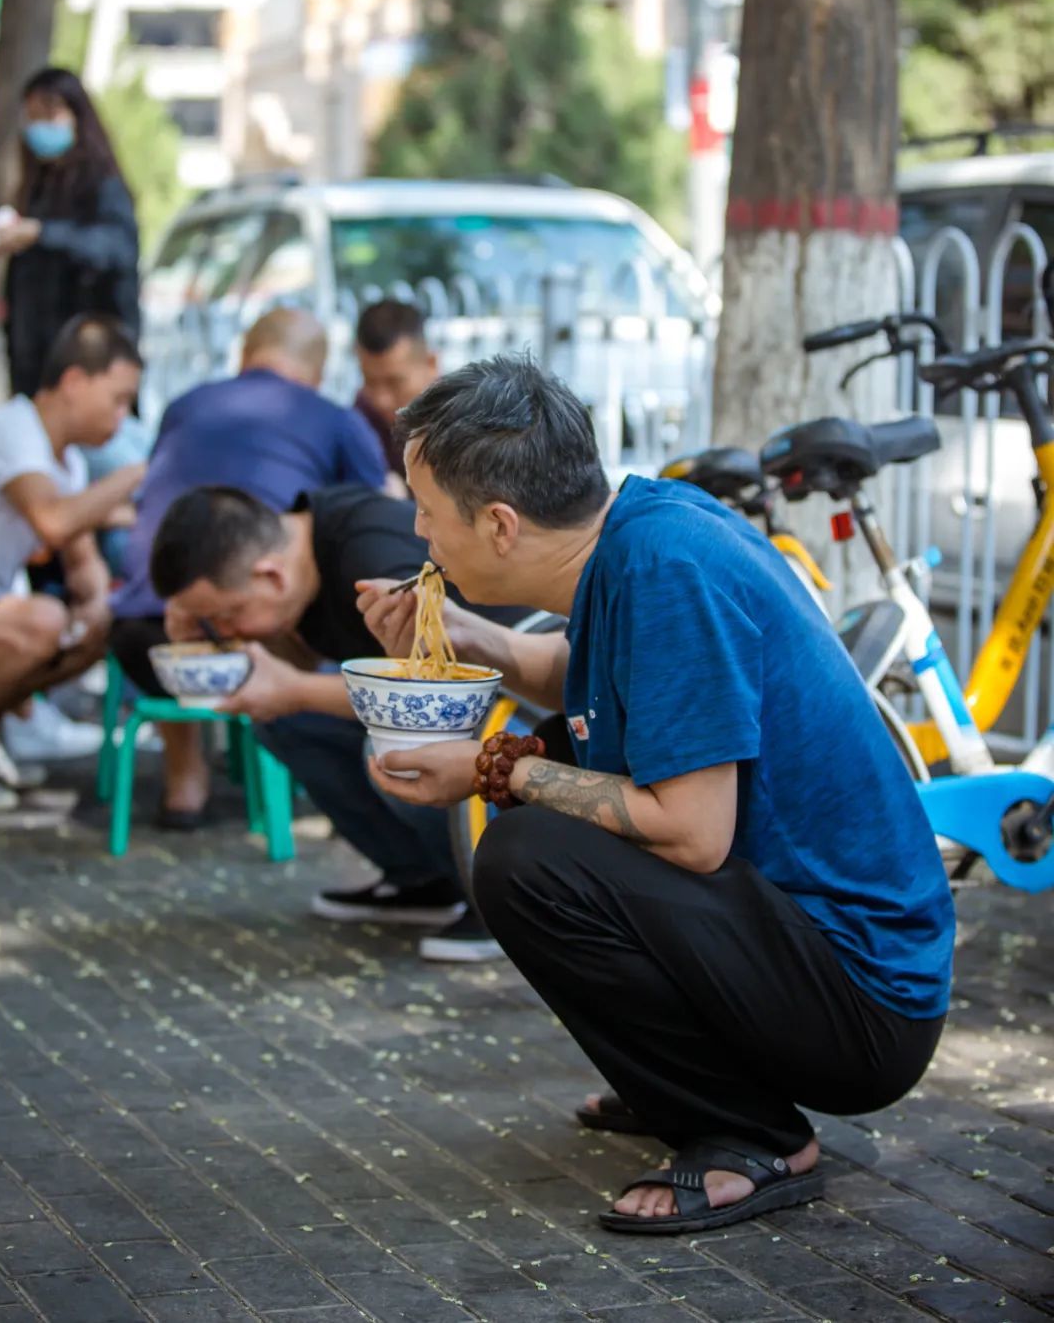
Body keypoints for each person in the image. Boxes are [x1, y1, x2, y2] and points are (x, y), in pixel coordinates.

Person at [356, 353, 956, 1235]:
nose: (417, 533)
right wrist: (474, 639)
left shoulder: (666, 569)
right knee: (552, 796)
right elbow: (583, 675)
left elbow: (692, 833)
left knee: (526, 857)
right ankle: (695, 1084)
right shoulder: (641, 531)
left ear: (498, 523)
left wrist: (491, 770)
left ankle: (752, 1136)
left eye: (428, 512)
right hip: (801, 953)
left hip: (866, 1002)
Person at [149, 483, 527, 962]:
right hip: (452, 702)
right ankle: (422, 881)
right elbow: (304, 671)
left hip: (522, 701)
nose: (226, 632)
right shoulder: (297, 563)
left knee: (398, 750)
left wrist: (293, 689)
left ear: (270, 576)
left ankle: (497, 899)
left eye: (225, 617)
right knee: (285, 720)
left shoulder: (370, 555)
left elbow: (424, 693)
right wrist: (210, 644)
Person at [109, 307, 388, 829]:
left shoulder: (183, 405)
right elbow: (365, 509)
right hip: (251, 641)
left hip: (140, 635)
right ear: (319, 371)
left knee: (187, 612)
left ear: (243, 355)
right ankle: (292, 783)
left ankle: (184, 782)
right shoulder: (334, 418)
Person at [0, 316, 143, 814]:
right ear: (74, 381)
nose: (122, 418)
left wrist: (94, 603)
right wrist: (139, 473)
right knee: (42, 622)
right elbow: (53, 522)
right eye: (117, 399)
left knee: (99, 625)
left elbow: (81, 559)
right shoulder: (11, 429)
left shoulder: (66, 463)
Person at [0, 67, 140, 399]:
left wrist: (43, 233)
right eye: (32, 116)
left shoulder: (102, 187)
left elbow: (117, 250)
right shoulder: (37, 189)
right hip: (36, 372)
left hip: (89, 370)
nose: (39, 126)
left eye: (49, 113)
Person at [354, 300, 438, 482]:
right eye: (369, 381)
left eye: (394, 383)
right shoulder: (362, 413)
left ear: (431, 364)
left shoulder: (465, 424)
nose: (380, 400)